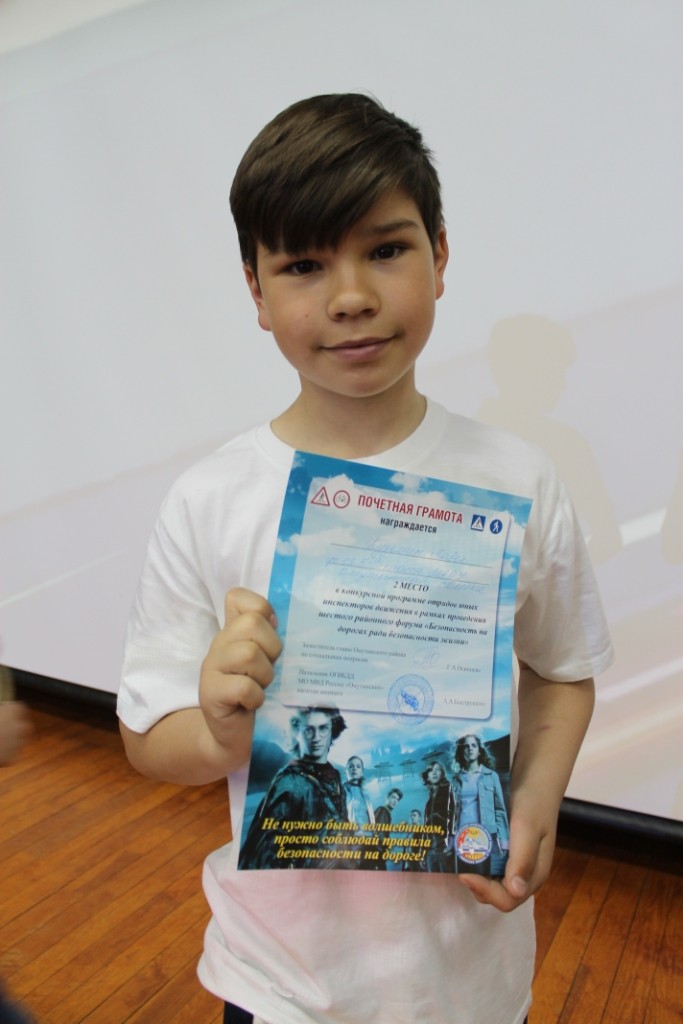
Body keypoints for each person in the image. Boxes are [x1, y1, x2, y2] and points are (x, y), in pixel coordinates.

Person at [118, 93, 613, 1024]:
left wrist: (536, 799)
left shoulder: (517, 478)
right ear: (255, 294)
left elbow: (562, 670)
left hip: (471, 980)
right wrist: (219, 731)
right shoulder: (209, 499)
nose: (350, 296)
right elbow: (149, 740)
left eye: (385, 250)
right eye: (303, 266)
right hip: (279, 985)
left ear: (440, 255)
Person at [238, 705, 347, 868]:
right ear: (298, 734)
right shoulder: (289, 782)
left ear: (333, 731)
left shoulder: (335, 777)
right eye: (308, 730)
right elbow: (264, 855)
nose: (316, 737)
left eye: (323, 728)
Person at [451, 734, 510, 877]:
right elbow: (452, 812)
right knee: (462, 878)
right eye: (466, 746)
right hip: (461, 836)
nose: (470, 749)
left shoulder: (492, 776)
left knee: (481, 877)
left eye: (473, 745)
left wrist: (504, 841)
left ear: (479, 751)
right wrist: (450, 839)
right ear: (461, 752)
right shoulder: (456, 779)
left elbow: (500, 810)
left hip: (483, 836)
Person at [420, 760, 456, 873]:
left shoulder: (448, 791)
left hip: (444, 847)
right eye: (431, 770)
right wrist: (423, 851)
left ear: (442, 774)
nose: (434, 773)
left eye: (437, 770)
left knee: (447, 881)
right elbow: (425, 828)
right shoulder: (428, 802)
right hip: (430, 850)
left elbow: (454, 816)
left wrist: (451, 842)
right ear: (427, 776)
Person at [343, 755, 375, 826]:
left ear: (362, 772)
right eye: (351, 766)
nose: (355, 768)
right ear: (345, 771)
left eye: (358, 766)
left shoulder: (366, 795)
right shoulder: (341, 792)